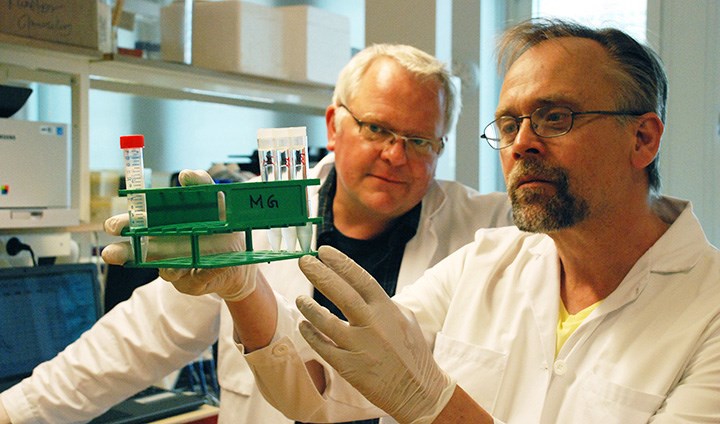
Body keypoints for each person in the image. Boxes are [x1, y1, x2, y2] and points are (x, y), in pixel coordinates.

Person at [168, 19, 719, 423]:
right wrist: (245, 290)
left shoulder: (709, 315)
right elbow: (318, 391)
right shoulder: (484, 263)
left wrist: (430, 402)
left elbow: (411, 390)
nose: (522, 143)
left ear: (642, 137)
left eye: (556, 117)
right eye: (508, 124)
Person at [0, 44, 513, 423]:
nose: (396, 155)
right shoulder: (254, 218)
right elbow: (129, 343)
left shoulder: (482, 228)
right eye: (377, 129)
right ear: (334, 125)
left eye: (420, 140)